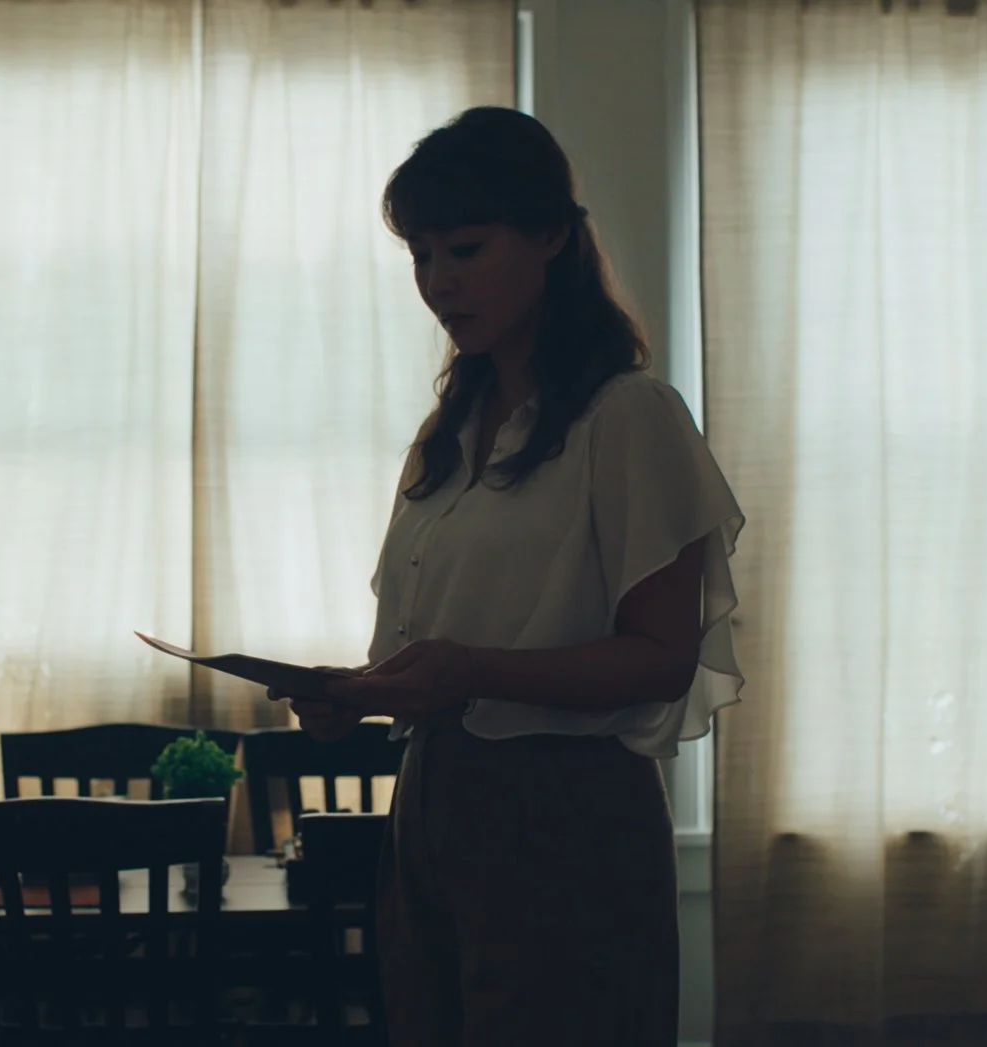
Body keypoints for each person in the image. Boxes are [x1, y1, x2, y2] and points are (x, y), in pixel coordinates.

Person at [268, 106, 746, 1046]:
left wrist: (474, 671)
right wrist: (356, 695)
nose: (439, 284)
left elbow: (660, 658)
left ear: (553, 238)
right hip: (434, 802)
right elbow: (433, 653)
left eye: (467, 249)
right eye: (422, 257)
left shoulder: (629, 415)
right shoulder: (448, 436)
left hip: (565, 810)